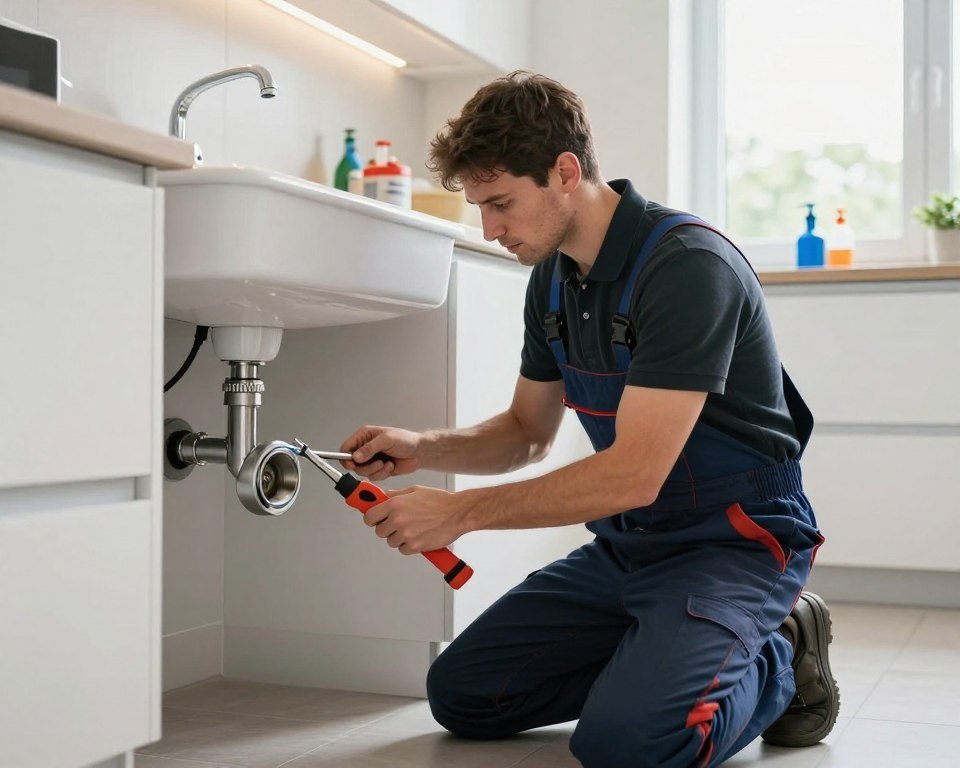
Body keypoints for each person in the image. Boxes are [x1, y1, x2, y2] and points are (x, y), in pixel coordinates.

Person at [339, 71, 840, 768]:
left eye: (501, 203)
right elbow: (525, 432)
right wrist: (424, 446)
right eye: (481, 207)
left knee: (630, 745)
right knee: (463, 695)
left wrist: (460, 515)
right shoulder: (552, 280)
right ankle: (663, 657)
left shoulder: (687, 267)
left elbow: (634, 472)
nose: (489, 230)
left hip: (733, 542)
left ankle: (782, 649)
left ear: (565, 173)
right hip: (633, 545)